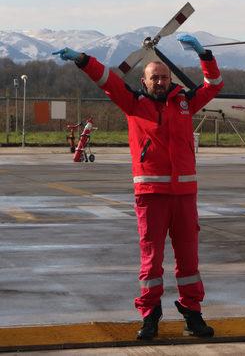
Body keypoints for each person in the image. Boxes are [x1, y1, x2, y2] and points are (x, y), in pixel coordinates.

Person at [53, 35, 222, 340]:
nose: (160, 81)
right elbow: (106, 79)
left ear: (170, 79)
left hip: (184, 196)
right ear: (143, 81)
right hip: (151, 196)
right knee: (151, 259)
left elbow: (214, 85)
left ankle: (192, 314)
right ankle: (150, 315)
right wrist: (82, 59)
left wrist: (204, 55)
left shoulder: (185, 102)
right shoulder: (133, 103)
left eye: (164, 77)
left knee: (189, 261)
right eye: (154, 77)